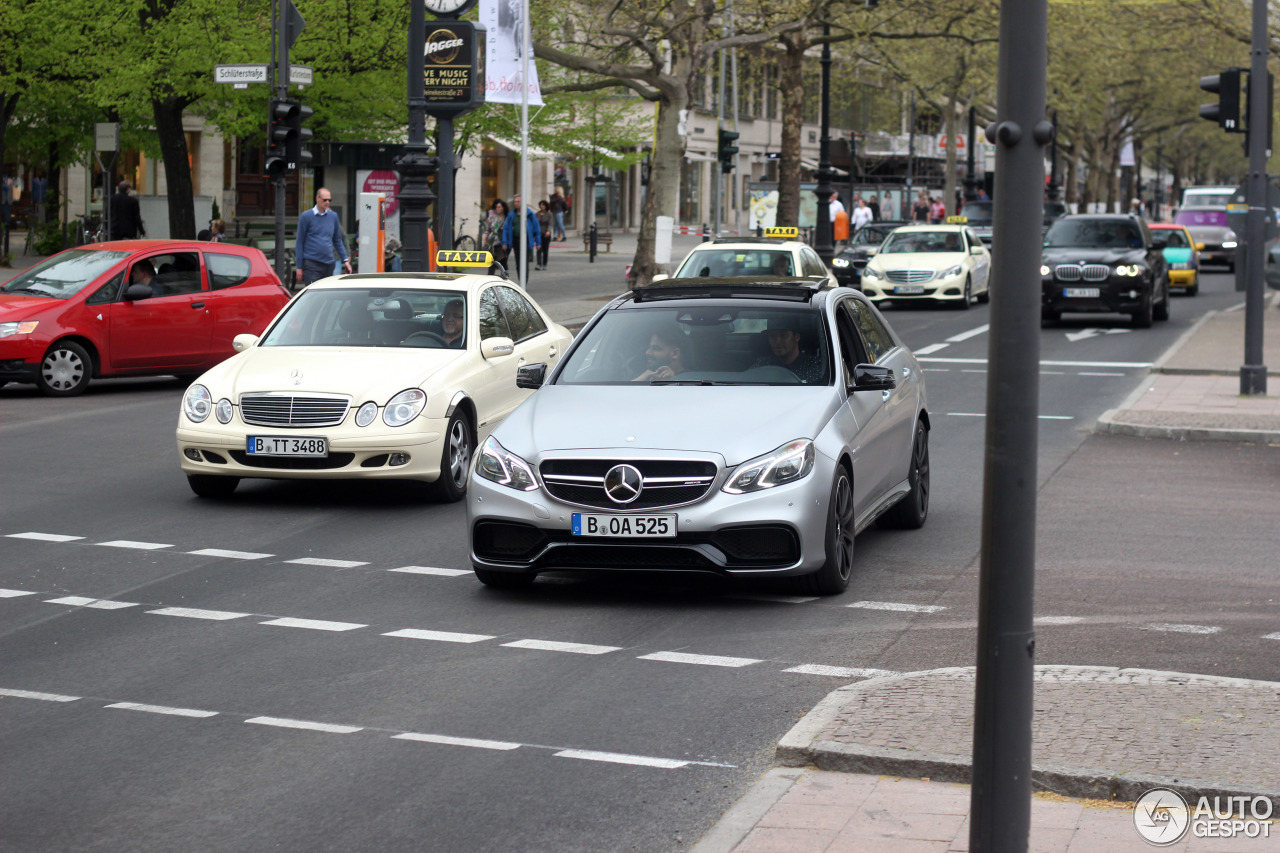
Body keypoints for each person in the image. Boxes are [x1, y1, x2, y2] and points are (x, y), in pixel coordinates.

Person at [295, 188, 351, 288]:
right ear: (317, 198)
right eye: (324, 200)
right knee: (313, 293)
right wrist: (299, 266)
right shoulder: (306, 216)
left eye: (329, 200)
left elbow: (337, 239)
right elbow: (300, 241)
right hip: (312, 263)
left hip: (329, 263)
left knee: (327, 294)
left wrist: (345, 260)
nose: (327, 202)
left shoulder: (333, 216)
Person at [751, 316, 823, 384]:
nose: (778, 341)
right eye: (772, 336)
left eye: (783, 336)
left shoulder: (815, 367)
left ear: (796, 337)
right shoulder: (762, 366)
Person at [502, 194, 541, 282]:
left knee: (525, 262)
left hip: (526, 240)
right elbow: (506, 228)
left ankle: (524, 281)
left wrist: (538, 243)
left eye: (518, 202)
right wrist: (505, 242)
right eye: (515, 202)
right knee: (518, 262)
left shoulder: (529, 214)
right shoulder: (512, 214)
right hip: (515, 240)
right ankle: (521, 280)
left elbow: (536, 229)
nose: (516, 203)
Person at [485, 198, 510, 266]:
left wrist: (506, 243)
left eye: (499, 207)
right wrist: (486, 237)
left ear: (503, 208)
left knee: (503, 260)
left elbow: (508, 231)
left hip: (502, 241)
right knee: (491, 261)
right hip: (493, 241)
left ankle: (504, 275)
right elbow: (489, 228)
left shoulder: (506, 218)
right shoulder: (493, 218)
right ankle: (490, 275)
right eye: (496, 207)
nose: (497, 209)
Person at [535, 199, 553, 270]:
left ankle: (544, 264)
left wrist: (548, 231)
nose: (541, 206)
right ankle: (539, 264)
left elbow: (550, 223)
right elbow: (535, 224)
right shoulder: (537, 214)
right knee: (539, 248)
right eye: (540, 205)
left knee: (545, 250)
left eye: (543, 205)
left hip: (546, 234)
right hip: (539, 234)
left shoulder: (549, 214)